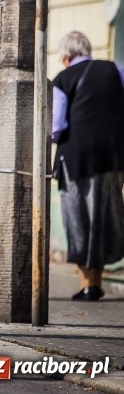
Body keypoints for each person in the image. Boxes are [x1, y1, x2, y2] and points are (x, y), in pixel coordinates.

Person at [51, 30, 124, 301]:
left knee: (78, 219)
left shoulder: (62, 79)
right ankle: (95, 282)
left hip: (77, 158)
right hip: (115, 157)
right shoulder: (116, 70)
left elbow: (57, 127)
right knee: (104, 217)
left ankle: (86, 285)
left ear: (67, 57)